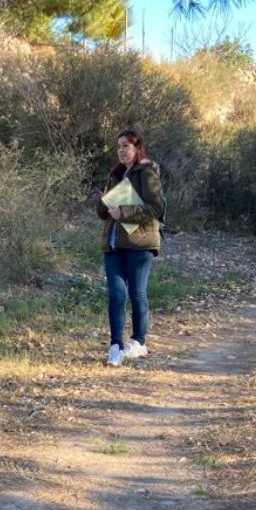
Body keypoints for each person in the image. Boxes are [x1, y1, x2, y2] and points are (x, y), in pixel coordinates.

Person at [94, 130, 164, 367]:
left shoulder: (147, 172)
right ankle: (115, 346)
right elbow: (102, 211)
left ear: (137, 147)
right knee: (116, 293)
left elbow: (156, 208)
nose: (122, 150)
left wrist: (124, 212)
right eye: (119, 147)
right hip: (113, 243)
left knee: (137, 293)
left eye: (126, 146)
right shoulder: (115, 174)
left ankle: (138, 342)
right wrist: (104, 202)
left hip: (139, 243)